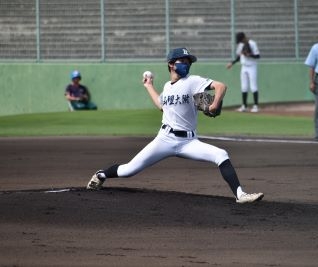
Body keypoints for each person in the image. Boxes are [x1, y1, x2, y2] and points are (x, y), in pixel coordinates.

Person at [86, 47, 264, 204]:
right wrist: (149, 86)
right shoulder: (168, 86)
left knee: (221, 154)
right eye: (183, 61)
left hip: (189, 142)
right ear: (171, 64)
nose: (187, 64)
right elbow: (161, 105)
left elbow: (220, 86)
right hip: (164, 139)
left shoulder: (192, 81)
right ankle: (101, 174)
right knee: (128, 170)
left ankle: (240, 195)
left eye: (189, 61)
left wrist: (215, 104)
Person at [226, 32, 260, 113]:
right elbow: (239, 56)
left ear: (244, 37)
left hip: (252, 66)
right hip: (244, 67)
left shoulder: (252, 43)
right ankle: (244, 106)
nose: (240, 42)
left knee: (253, 86)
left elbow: (258, 56)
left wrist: (249, 55)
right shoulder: (241, 45)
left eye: (241, 40)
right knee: (244, 87)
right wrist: (232, 63)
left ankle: (256, 106)